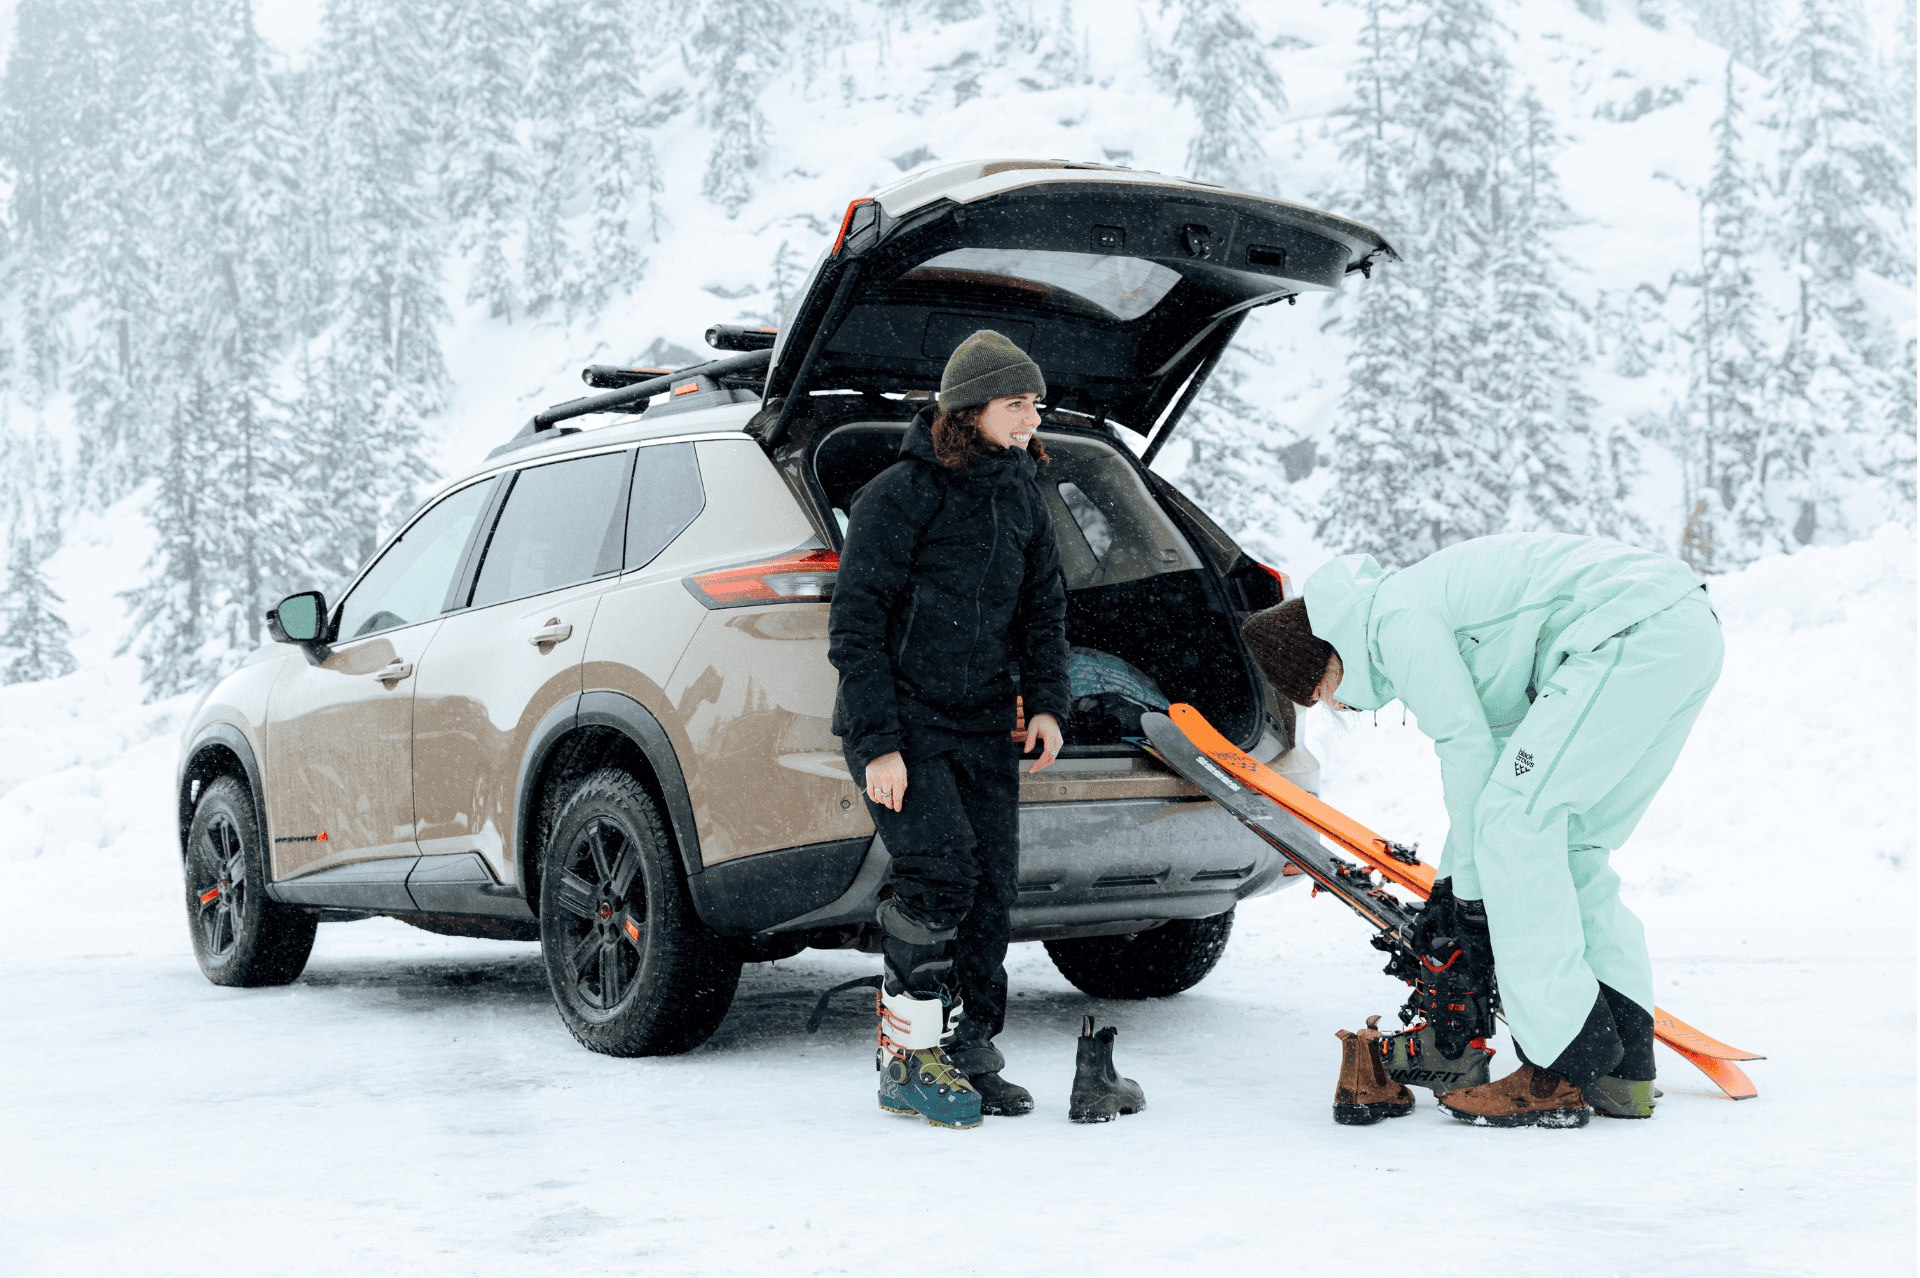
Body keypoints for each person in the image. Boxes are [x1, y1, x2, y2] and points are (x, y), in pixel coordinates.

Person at [1241, 532, 1723, 1128]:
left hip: (1626, 633)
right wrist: (1455, 882)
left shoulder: (1396, 619)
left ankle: (1560, 1068)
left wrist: (1467, 901)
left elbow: (1467, 753)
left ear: (1326, 657)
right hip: (1676, 629)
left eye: (1321, 695)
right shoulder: (1425, 608)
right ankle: (1623, 1076)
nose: (1337, 709)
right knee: (1571, 843)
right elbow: (1493, 766)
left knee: (1517, 827)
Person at [827, 329, 1071, 1130]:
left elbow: (1043, 611)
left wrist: (1046, 704)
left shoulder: (1021, 493)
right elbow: (855, 627)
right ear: (969, 411)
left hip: (981, 725)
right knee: (941, 879)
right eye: (1015, 404)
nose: (1031, 417)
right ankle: (907, 1057)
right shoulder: (898, 494)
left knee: (991, 894)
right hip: (906, 726)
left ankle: (970, 1053)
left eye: (1035, 403)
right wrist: (878, 746)